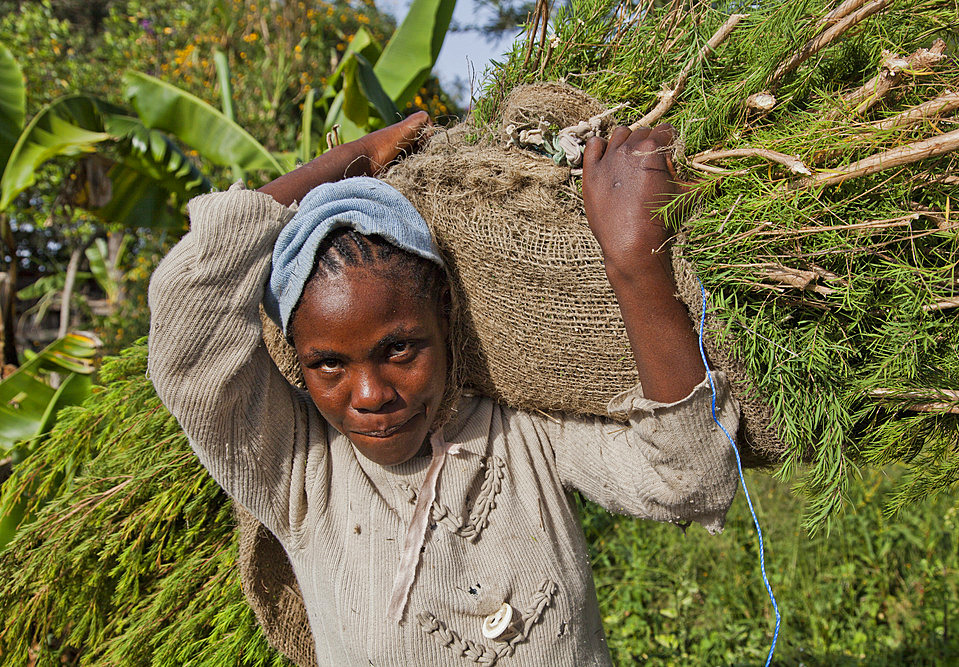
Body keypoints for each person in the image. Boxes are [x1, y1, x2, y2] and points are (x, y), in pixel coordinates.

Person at [148, 110, 739, 666]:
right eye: (328, 364)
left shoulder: (522, 429)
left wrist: (635, 260)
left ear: (446, 311)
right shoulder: (300, 475)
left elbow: (691, 481)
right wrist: (351, 161)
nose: (371, 394)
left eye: (398, 349)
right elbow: (184, 312)